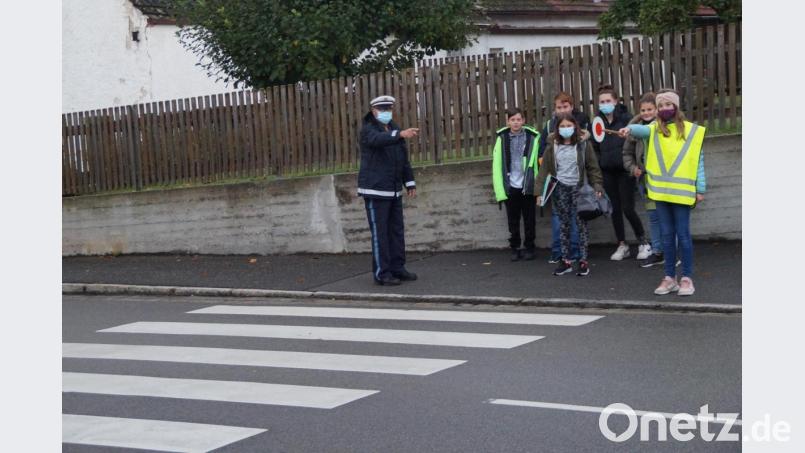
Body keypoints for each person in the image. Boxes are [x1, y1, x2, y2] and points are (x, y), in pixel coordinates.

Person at [622, 89, 706, 296]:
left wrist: (700, 188)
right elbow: (638, 130)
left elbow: (698, 161)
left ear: (676, 107)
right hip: (659, 192)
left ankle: (686, 278)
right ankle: (670, 278)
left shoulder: (691, 131)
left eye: (668, 105)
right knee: (667, 236)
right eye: (661, 106)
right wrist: (628, 129)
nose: (664, 109)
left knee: (683, 236)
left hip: (682, 193)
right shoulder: (653, 129)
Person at [358, 95, 420, 285]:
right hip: (376, 190)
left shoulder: (394, 129)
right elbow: (378, 140)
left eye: (389, 110)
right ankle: (382, 273)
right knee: (380, 234)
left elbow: (403, 158)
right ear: (374, 111)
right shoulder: (368, 130)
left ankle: (397, 268)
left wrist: (409, 182)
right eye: (383, 110)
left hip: (393, 190)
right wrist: (399, 135)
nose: (386, 113)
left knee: (396, 231)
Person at [535, 113, 604, 277]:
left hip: (579, 189)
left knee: (581, 225)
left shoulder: (583, 145)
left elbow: (593, 167)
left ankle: (583, 260)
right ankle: (565, 261)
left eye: (569, 126)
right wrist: (538, 193)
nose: (566, 129)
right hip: (560, 189)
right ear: (557, 129)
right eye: (562, 126)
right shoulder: (552, 146)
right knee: (563, 225)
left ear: (575, 127)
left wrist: (597, 186)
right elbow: (543, 170)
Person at [592, 85, 650, 261]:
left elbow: (635, 143)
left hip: (625, 171)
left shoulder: (627, 119)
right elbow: (595, 148)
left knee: (627, 208)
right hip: (608, 171)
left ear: (616, 101)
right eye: (602, 102)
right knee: (615, 210)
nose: (605, 104)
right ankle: (622, 245)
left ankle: (643, 243)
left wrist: (633, 166)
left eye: (608, 101)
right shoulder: (597, 123)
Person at [539, 92, 588, 263]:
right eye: (558, 107)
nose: (561, 110)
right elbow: (542, 155)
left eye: (565, 107)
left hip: (576, 183)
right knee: (558, 217)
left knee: (576, 217)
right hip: (557, 183)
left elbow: (588, 158)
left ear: (571, 107)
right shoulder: (548, 126)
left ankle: (575, 251)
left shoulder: (580, 124)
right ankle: (558, 250)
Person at [492, 108, 541, 261]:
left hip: (527, 185)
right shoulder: (502, 138)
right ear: (508, 122)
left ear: (523, 121)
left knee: (529, 219)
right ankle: (515, 248)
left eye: (518, 119)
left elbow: (537, 162)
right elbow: (497, 165)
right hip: (510, 186)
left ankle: (530, 247)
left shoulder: (532, 137)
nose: (516, 122)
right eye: (512, 120)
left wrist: (538, 187)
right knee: (513, 220)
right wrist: (500, 191)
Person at [622, 92, 665, 267]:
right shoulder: (634, 129)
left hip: (664, 182)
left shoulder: (663, 127)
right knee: (654, 217)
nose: (646, 113)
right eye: (643, 110)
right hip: (645, 183)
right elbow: (627, 154)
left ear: (657, 110)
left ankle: (670, 251)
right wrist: (633, 169)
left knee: (667, 218)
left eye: (650, 109)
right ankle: (657, 252)